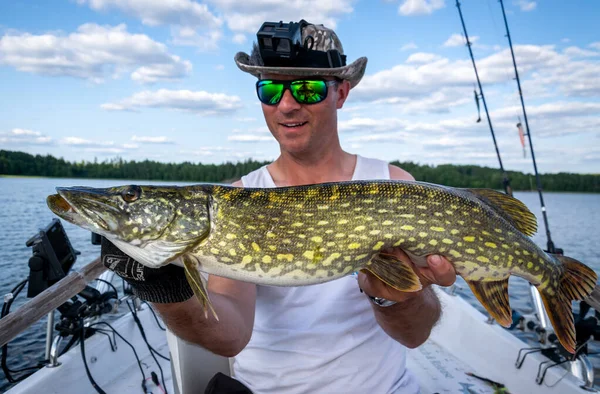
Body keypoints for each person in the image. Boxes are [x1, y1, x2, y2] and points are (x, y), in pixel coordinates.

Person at [101, 20, 457, 393]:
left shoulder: (395, 186)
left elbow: (415, 335)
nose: (286, 105)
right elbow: (230, 335)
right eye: (270, 89)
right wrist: (169, 294)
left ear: (341, 93)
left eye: (307, 87)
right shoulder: (238, 199)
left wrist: (393, 295)